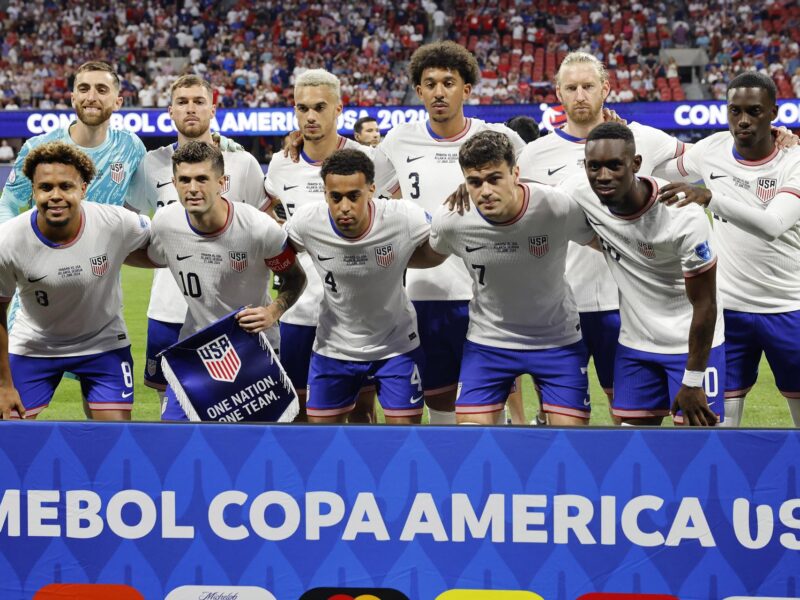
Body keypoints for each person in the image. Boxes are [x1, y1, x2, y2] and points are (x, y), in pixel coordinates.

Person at [516, 52, 688, 422]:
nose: (580, 95)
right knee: (560, 417)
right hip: (559, 305)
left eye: (588, 86)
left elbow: (703, 159)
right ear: (558, 93)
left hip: (623, 303)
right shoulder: (533, 154)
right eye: (571, 87)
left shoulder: (641, 139)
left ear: (605, 89)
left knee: (626, 415)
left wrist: (777, 139)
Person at [371, 41, 526, 425]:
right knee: (441, 408)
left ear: (466, 89)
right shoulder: (398, 141)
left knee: (489, 409)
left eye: (449, 82)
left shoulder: (499, 138)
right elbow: (367, 196)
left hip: (490, 296)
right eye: (430, 83)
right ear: (419, 91)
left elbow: (535, 194)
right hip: (425, 293)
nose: (439, 92)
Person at [658, 71, 800, 427]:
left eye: (754, 111)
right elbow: (657, 164)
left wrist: (709, 197)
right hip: (728, 312)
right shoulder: (712, 149)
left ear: (774, 112)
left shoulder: (794, 161)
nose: (743, 120)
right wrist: (622, 128)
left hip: (788, 308)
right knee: (718, 425)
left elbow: (772, 225)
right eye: (735, 111)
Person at [563, 123, 725, 426]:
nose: (604, 176)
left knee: (700, 448)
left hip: (689, 348)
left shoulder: (682, 216)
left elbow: (706, 305)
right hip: (636, 347)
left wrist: (692, 379)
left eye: (615, 165)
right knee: (633, 448)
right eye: (594, 166)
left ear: (635, 164)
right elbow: (531, 203)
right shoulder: (580, 192)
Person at [430, 131, 594, 425]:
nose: (485, 191)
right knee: (470, 435)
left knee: (572, 439)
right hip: (488, 341)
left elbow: (601, 241)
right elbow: (429, 254)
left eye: (495, 178)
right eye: (475, 182)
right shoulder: (452, 219)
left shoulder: (555, 207)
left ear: (516, 173)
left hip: (557, 339)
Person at [128, 75, 269, 403]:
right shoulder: (151, 164)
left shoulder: (243, 163)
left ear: (213, 109)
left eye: (198, 101)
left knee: (240, 403)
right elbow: (129, 226)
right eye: (182, 102)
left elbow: (264, 229)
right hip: (169, 306)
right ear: (170, 111)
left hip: (233, 311)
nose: (190, 108)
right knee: (172, 403)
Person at [147, 141, 306, 421]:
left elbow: (295, 277)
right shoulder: (165, 223)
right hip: (197, 349)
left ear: (221, 182)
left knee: (254, 446)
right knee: (172, 437)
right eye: (184, 180)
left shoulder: (258, 228)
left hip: (254, 349)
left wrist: (273, 311)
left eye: (202, 179)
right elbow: (147, 256)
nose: (192, 188)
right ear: (174, 182)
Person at [285, 149, 445, 423]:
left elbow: (441, 244)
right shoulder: (307, 221)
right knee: (321, 438)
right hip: (332, 349)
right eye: (335, 197)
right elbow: (275, 253)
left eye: (353, 196)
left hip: (396, 348)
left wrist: (400, 258)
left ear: (371, 190)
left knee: (403, 439)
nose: (344, 206)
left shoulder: (403, 217)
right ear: (325, 193)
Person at [0, 141, 151, 420]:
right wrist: (3, 385)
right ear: (33, 191)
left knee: (115, 439)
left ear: (83, 188)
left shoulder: (116, 221)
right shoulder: (8, 240)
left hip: (103, 344)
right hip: (34, 346)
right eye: (45, 187)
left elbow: (162, 246)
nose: (55, 195)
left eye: (66, 186)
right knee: (9, 434)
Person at [265, 69, 376, 422]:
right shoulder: (282, 163)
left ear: (338, 108)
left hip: (357, 312)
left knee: (362, 413)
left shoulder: (368, 159)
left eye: (319, 107)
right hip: (298, 310)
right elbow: (267, 218)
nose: (310, 116)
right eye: (302, 108)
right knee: (297, 411)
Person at [0, 61, 145, 223]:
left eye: (101, 90)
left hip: (108, 248)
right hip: (50, 246)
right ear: (73, 99)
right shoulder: (38, 148)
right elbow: (8, 205)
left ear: (118, 103)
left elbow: (142, 202)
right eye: (84, 89)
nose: (91, 97)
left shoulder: (131, 146)